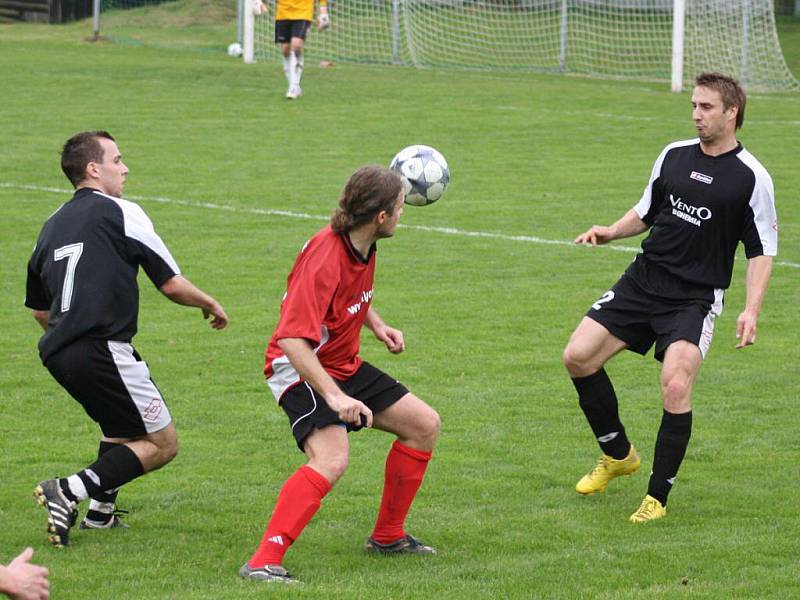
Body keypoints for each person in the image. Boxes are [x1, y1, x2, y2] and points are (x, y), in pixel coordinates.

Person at [562, 72, 777, 523]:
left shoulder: (751, 178)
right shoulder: (674, 155)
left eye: (706, 107)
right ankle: (618, 455)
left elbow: (761, 250)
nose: (696, 114)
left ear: (731, 112)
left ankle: (657, 496)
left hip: (693, 299)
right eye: (694, 106)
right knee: (578, 356)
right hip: (643, 280)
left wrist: (751, 310)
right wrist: (611, 231)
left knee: (676, 384)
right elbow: (647, 210)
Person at [25, 131, 229, 547]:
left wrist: (69, 333)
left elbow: (38, 308)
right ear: (93, 169)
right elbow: (169, 283)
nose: (125, 167)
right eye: (117, 159)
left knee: (120, 429)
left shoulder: (50, 224)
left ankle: (100, 517)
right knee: (162, 444)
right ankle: (66, 491)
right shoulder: (121, 211)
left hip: (59, 353)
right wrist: (210, 302)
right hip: (101, 347)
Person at [240, 166, 440, 584]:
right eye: (400, 207)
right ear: (381, 217)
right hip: (298, 367)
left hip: (341, 361)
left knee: (423, 425)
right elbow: (292, 340)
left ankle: (387, 537)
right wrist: (334, 397)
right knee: (331, 458)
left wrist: (378, 324)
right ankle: (262, 561)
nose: (403, 214)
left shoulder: (361, 243)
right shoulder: (324, 257)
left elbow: (349, 296)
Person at [257, 0, 329, 99]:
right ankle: (295, 85)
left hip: (303, 13)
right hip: (283, 13)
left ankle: (293, 86)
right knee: (285, 50)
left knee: (296, 46)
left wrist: (323, 11)